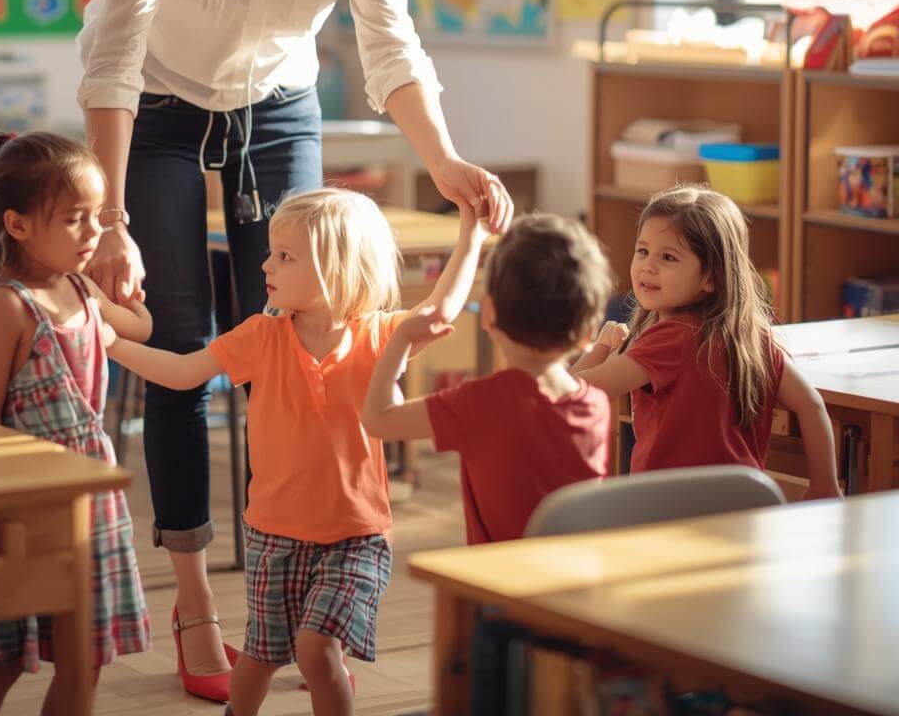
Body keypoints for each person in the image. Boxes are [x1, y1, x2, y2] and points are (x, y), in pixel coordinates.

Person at [76, 0, 513, 698]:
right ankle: (192, 599)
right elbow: (117, 42)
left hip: (277, 104)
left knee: (317, 338)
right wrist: (108, 219)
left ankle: (305, 580)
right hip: (163, 107)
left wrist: (444, 159)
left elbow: (388, 39)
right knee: (186, 340)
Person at [104, 188, 487, 716]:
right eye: (271, 252)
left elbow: (441, 308)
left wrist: (473, 232)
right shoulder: (260, 336)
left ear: (336, 266)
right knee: (259, 659)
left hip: (356, 536)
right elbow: (180, 373)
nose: (265, 264)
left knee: (317, 651)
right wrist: (109, 342)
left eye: (284, 256)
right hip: (273, 535)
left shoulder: (379, 335)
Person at [0, 131, 153, 716]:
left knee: (86, 653)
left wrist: (125, 283)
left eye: (96, 217)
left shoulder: (82, 288)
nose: (92, 233)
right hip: (26, 509)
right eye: (74, 220)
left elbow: (141, 327)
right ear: (17, 225)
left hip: (90, 502)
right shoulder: (9, 307)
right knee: (2, 657)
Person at [574, 185, 842, 498]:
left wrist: (601, 347)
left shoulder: (671, 338)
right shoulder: (754, 338)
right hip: (746, 507)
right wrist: (826, 484)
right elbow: (811, 404)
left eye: (669, 257)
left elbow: (573, 395)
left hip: (668, 513)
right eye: (643, 251)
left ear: (711, 278)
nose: (648, 265)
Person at [362, 211, 613, 543]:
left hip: (499, 585)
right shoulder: (596, 404)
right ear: (587, 332)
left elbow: (378, 420)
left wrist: (401, 340)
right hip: (573, 582)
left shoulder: (481, 404)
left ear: (489, 314)